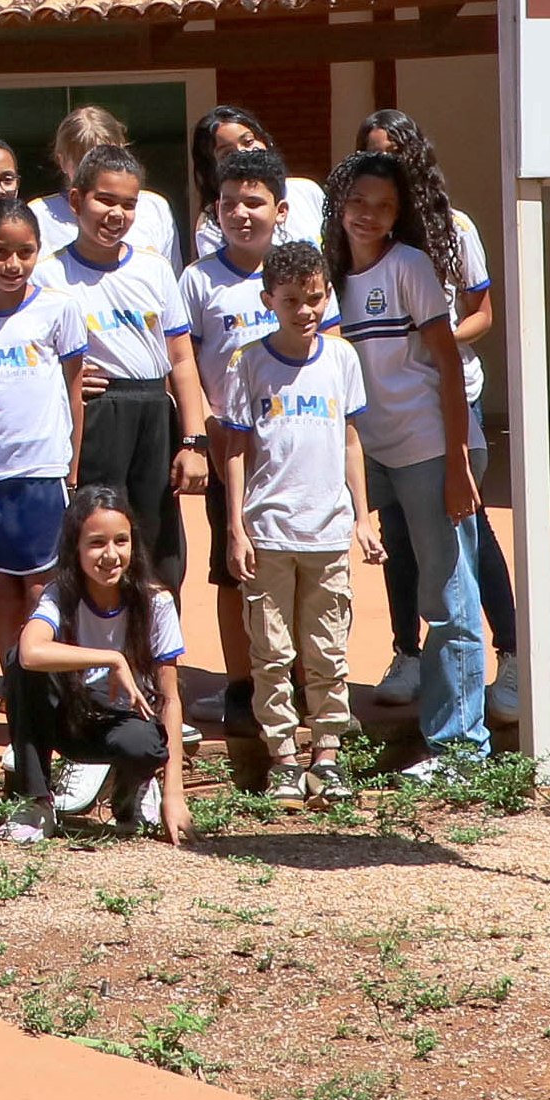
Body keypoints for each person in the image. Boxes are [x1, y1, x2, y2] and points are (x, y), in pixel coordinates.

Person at [354, 108, 521, 724]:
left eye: (396, 154)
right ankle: (407, 652)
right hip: (384, 411)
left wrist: (437, 338)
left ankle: (511, 654)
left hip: (450, 401)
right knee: (398, 538)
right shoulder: (362, 248)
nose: (386, 163)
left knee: (464, 540)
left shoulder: (453, 228)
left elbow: (484, 312)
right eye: (373, 154)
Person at [327, 151, 487, 774]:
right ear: (339, 204)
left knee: (449, 597)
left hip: (432, 450)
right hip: (379, 455)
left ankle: (462, 749)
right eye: (359, 202)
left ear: (399, 216)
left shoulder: (410, 266)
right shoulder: (332, 277)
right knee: (420, 593)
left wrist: (456, 466)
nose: (369, 215)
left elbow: (449, 366)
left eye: (385, 206)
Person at [176, 145, 331, 747]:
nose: (241, 214)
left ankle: (297, 681)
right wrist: (199, 433)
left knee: (299, 567)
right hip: (232, 449)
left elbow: (331, 355)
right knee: (233, 569)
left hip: (298, 449)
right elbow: (184, 359)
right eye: (228, 203)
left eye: (254, 202)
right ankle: (244, 684)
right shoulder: (199, 278)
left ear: (281, 209)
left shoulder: (304, 273)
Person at [215, 240, 373, 803]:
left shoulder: (342, 358)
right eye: (290, 301)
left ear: (326, 294)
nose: (304, 311)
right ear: (269, 301)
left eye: (313, 298)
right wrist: (235, 526)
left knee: (328, 648)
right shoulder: (249, 363)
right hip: (268, 533)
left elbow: (351, 439)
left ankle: (326, 754)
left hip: (327, 531)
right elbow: (234, 449)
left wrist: (362, 515)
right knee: (272, 651)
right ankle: (282, 756)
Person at [42, 148, 209, 594]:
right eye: (105, 200)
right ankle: (95, 650)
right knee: (96, 534)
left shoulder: (154, 269)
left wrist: (193, 440)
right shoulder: (49, 274)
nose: (117, 213)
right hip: (96, 415)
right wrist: (69, 385)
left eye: (129, 203)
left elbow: (181, 359)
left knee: (156, 542)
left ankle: (157, 655)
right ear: (76, 201)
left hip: (154, 412)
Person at [0, 198, 87, 727]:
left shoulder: (58, 308)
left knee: (42, 584)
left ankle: (52, 691)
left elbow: (75, 390)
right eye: (0, 252)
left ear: (39, 252)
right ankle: (18, 688)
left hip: (40, 469)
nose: (13, 264)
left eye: (25, 253)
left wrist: (72, 467)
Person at [4, 487, 190, 844]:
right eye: (96, 543)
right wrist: (110, 657)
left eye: (121, 541)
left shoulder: (157, 603)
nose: (111, 555)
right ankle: (37, 801)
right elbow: (30, 652)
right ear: (75, 548)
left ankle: (127, 795)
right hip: (69, 718)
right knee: (19, 665)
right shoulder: (60, 594)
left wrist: (175, 794)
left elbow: (170, 699)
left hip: (119, 722)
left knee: (144, 745)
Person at [28, 105, 182, 267]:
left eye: (106, 162)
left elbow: (170, 276)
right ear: (62, 161)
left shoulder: (154, 207)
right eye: (83, 164)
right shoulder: (38, 215)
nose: (96, 175)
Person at [190, 105, 328, 253]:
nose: (244, 153)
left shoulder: (307, 191)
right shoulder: (211, 225)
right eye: (227, 153)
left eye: (248, 141)